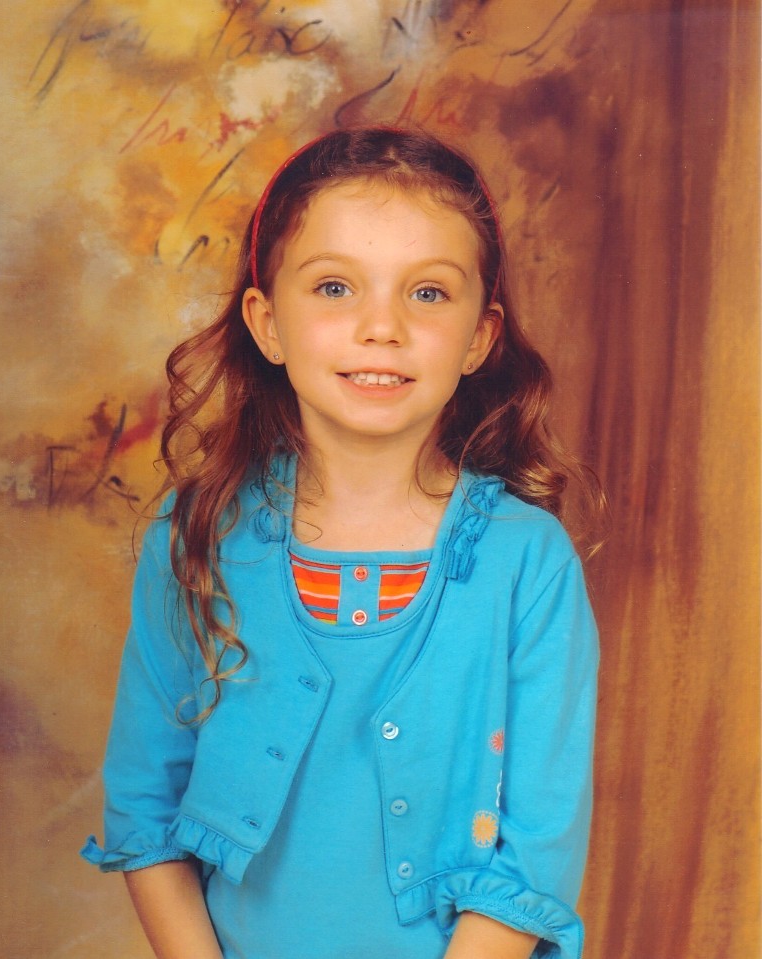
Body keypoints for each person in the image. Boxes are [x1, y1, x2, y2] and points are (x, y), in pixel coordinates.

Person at [82, 126, 599, 959]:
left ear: (479, 336)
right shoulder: (194, 538)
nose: (381, 326)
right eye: (334, 286)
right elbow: (145, 809)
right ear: (267, 323)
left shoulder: (528, 562)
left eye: (427, 292)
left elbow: (537, 850)